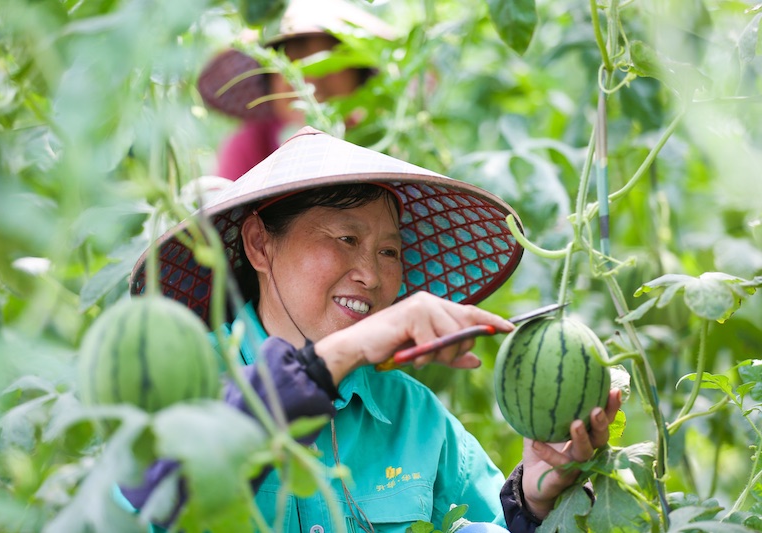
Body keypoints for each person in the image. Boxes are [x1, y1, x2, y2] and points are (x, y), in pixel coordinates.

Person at [125, 127, 622, 532]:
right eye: (345, 238)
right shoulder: (182, 383)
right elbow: (144, 508)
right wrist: (334, 359)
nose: (372, 274)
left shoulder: (413, 414)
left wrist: (530, 503)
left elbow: (484, 520)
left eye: (389, 252)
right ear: (259, 244)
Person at [198, 0, 394, 181]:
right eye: (293, 63)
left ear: (359, 73)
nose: (312, 80)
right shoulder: (249, 145)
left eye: (328, 63)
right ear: (269, 80)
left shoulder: (381, 137)